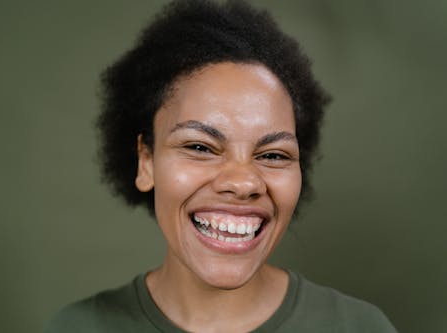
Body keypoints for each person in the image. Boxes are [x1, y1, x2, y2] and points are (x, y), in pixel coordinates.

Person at [46, 0, 397, 332]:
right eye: (200, 147)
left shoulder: (358, 327)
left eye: (273, 155)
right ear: (146, 161)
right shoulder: (78, 327)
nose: (244, 182)